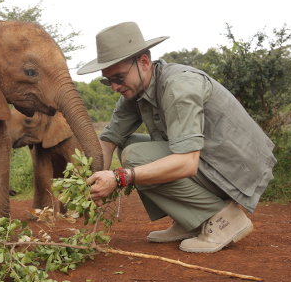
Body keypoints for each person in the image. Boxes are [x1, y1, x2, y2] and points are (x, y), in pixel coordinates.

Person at [77, 22, 276, 253]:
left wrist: (119, 178)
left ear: (143, 63)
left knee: (134, 156)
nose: (113, 87)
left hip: (234, 168)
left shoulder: (178, 85)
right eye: (108, 80)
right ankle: (191, 220)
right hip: (207, 163)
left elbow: (186, 162)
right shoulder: (137, 91)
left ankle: (224, 219)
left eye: (119, 77)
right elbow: (109, 139)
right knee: (126, 145)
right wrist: (94, 180)